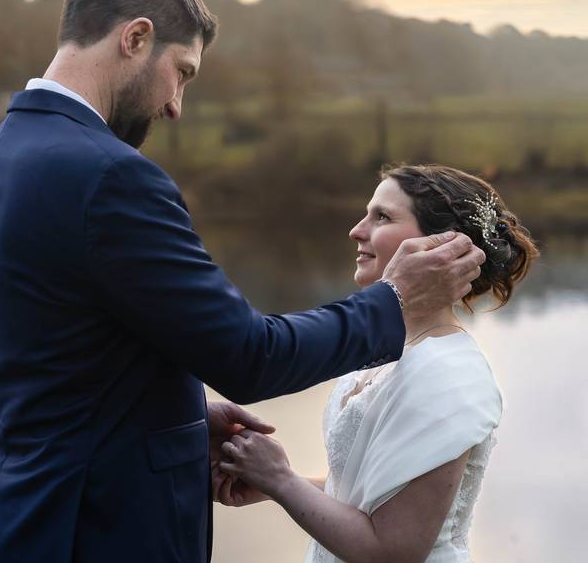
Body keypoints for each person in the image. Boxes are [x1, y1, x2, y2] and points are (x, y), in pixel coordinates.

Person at [0, 0, 486, 563]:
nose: (175, 105)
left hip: (11, 525)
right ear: (136, 38)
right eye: (181, 72)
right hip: (98, 534)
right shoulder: (111, 177)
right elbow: (249, 357)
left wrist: (176, 411)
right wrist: (393, 301)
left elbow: (15, 356)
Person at [214, 164, 538, 563]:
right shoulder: (383, 353)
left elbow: (392, 551)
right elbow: (365, 500)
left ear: (441, 246)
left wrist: (279, 479)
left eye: (382, 216)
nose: (356, 230)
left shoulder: (449, 374)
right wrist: (274, 483)